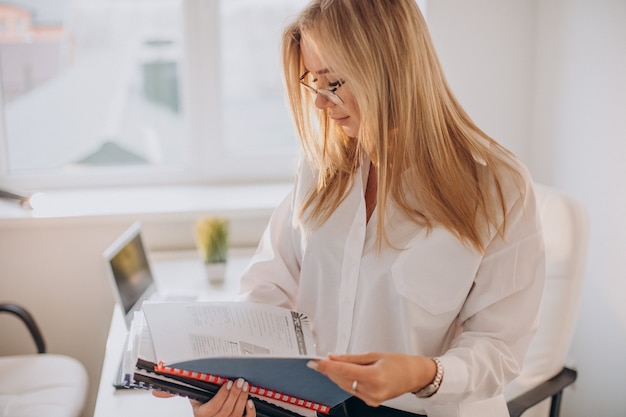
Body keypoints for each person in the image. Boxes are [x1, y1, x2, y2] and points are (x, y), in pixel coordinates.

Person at [157, 1, 545, 416]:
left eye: (334, 83)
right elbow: (270, 286)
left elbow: (499, 348)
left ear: (391, 67)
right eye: (313, 82)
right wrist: (215, 373)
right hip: (310, 403)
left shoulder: (495, 185)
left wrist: (423, 373)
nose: (321, 104)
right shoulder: (320, 165)